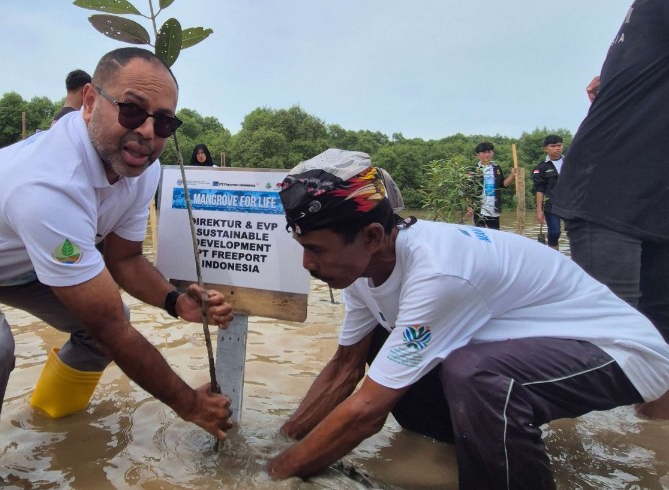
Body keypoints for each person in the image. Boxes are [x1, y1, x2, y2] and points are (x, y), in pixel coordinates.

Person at [0, 48, 233, 489]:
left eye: (164, 122)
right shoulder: (49, 182)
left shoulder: (141, 169)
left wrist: (175, 301)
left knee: (103, 326)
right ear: (89, 102)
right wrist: (188, 404)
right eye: (133, 110)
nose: (146, 134)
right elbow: (110, 329)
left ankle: (47, 424)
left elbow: (125, 259)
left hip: (10, 261)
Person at [267, 149, 669, 489]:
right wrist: (279, 441)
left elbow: (368, 412)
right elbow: (344, 368)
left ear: (372, 237)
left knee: (474, 373)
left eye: (317, 250)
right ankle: (447, 450)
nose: (308, 264)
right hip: (524, 353)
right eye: (302, 247)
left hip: (619, 352)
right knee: (382, 342)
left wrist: (270, 476)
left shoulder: (438, 271)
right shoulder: (362, 269)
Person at [552, 0, 669, 419]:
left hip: (656, 200)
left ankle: (650, 448)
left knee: (661, 350)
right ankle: (568, 445)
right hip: (608, 192)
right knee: (607, 343)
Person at [466, 141, 517, 229]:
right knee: (481, 235)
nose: (487, 155)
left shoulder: (496, 168)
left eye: (489, 152)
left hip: (494, 208)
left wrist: (512, 175)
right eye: (484, 152)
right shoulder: (473, 170)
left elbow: (503, 184)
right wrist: (469, 206)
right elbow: (468, 190)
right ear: (478, 155)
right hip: (479, 209)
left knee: (495, 233)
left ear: (493, 153)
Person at [531, 135, 565, 249]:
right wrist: (539, 210)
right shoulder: (541, 167)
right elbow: (540, 190)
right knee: (554, 232)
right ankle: (555, 256)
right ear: (546, 149)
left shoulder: (570, 163)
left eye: (559, 145)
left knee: (575, 232)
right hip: (551, 205)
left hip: (570, 204)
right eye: (553, 146)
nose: (557, 148)